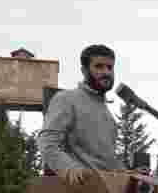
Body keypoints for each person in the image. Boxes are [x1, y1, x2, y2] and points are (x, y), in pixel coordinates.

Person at [37, 44, 124, 185]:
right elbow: (47, 143)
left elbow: (105, 162)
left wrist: (125, 172)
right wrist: (70, 169)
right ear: (84, 70)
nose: (106, 72)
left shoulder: (109, 116)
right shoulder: (66, 99)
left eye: (110, 67)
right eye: (99, 66)